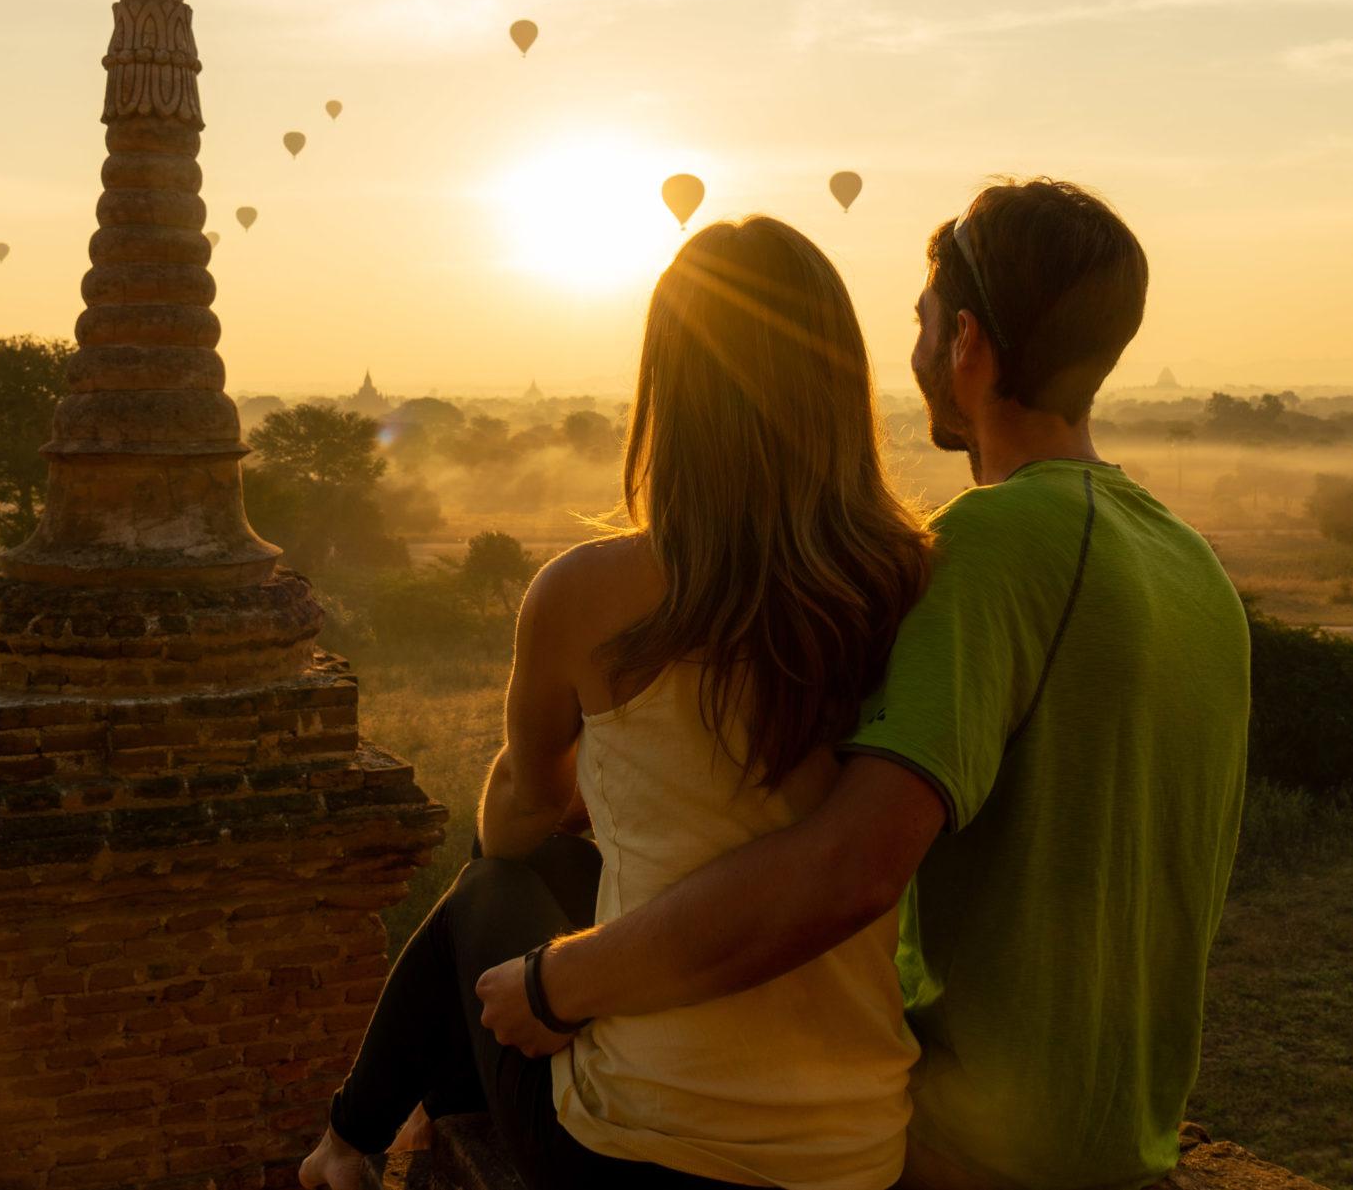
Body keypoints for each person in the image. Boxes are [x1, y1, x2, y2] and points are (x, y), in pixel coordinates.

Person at [478, 179, 1252, 1190]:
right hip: (1125, 1136)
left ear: (966, 344)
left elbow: (845, 870)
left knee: (493, 920)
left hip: (976, 1141)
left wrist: (557, 980)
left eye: (924, 322)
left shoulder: (990, 544)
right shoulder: (1191, 564)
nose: (917, 346)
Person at [301, 217, 929, 1190]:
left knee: (492, 883)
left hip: (638, 1144)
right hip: (850, 1150)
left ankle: (347, 1139)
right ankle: (348, 1138)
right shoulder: (910, 584)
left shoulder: (587, 592)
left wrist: (589, 775)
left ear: (667, 389)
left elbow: (513, 821)